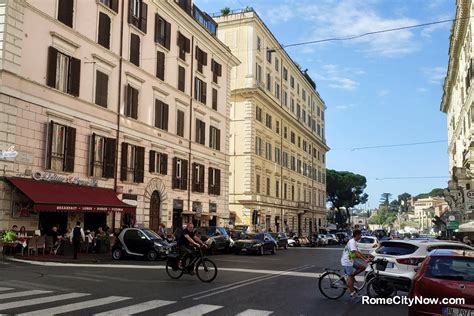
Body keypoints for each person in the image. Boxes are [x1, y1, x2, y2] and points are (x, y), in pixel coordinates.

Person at [341, 229, 372, 299]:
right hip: (347, 261)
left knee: (362, 267)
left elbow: (359, 252)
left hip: (351, 260)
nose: (361, 236)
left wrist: (366, 258)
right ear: (357, 235)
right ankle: (352, 293)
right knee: (350, 276)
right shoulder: (352, 242)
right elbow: (355, 253)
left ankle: (351, 277)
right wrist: (365, 260)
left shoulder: (354, 242)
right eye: (360, 235)